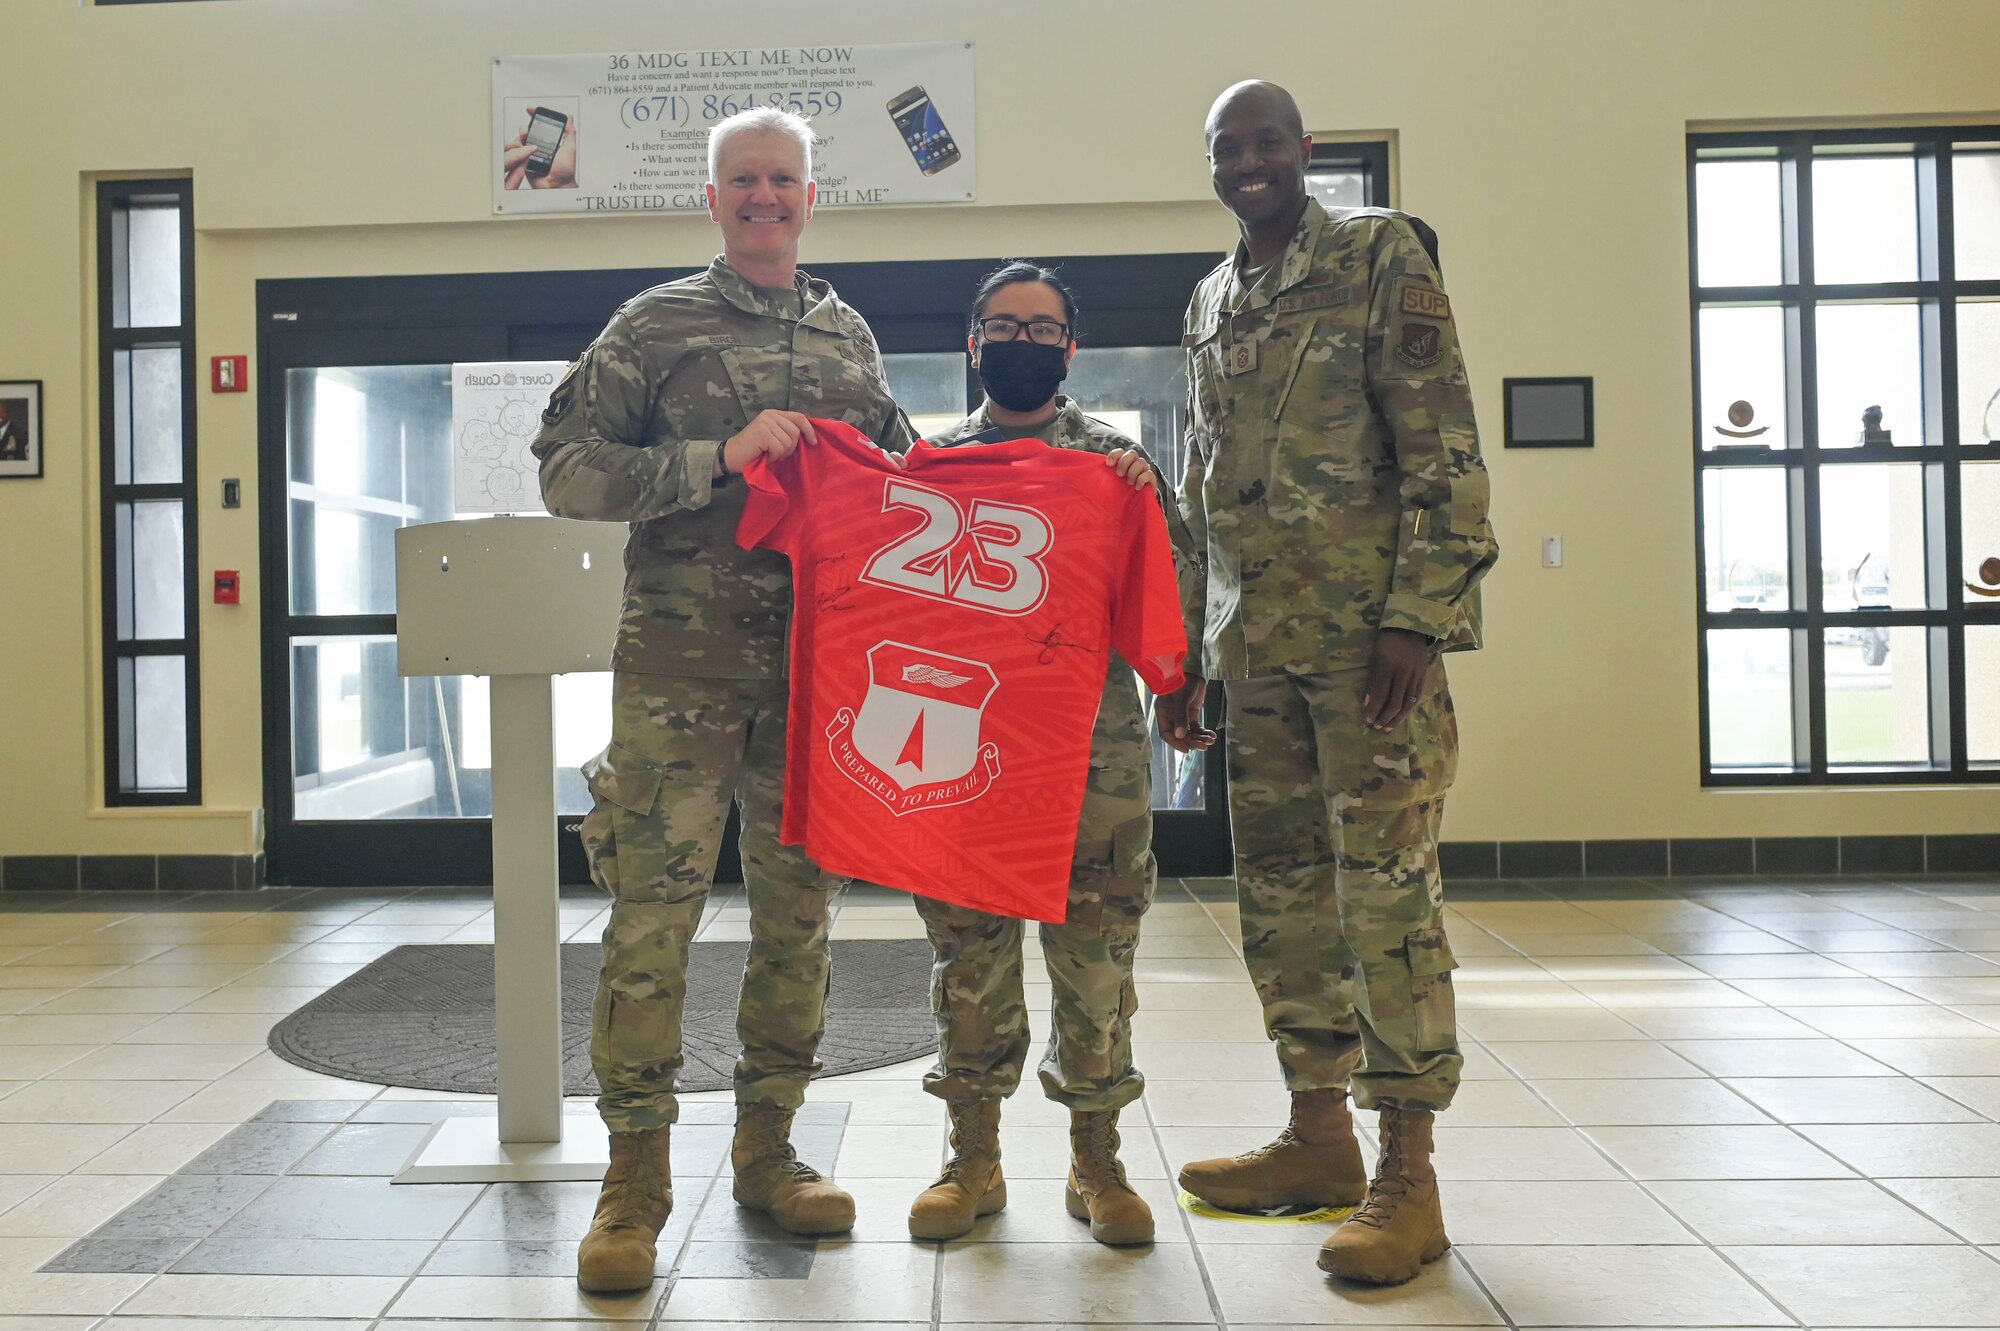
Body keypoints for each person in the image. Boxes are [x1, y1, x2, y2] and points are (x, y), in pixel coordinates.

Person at [531, 106, 915, 1294]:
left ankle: (769, 1150)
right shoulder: (652, 326)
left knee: (798, 920)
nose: (764, 196)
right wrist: (712, 456)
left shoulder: (846, 335)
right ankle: (633, 1181)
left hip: (817, 684)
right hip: (678, 680)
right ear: (712, 198)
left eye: (782, 179)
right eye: (742, 180)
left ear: (810, 195)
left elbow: (904, 471)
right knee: (653, 922)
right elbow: (566, 473)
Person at [1157, 81, 1497, 1285]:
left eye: (1266, 144)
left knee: (1385, 901)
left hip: (1367, 659)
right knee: (1284, 898)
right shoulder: (1209, 297)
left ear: (1303, 152)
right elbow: (1198, 494)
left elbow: (1442, 448)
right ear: (1210, 165)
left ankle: (1409, 1175)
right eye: (1226, 149)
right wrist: (1192, 652)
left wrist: (1415, 617)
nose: (1247, 163)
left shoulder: (1374, 254)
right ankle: (1317, 1136)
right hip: (1254, 660)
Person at [903, 262, 1188, 1248]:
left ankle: (1094, 1158)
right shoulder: (928, 473)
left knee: (1095, 958)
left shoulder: (1117, 466)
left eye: (1042, 326)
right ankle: (970, 1155)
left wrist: (1187, 686)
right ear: (973, 342)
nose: (1022, 340)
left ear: (1070, 347)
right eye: (1002, 324)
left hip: (1090, 755)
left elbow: (1176, 593)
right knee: (969, 959)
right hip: (964, 750)